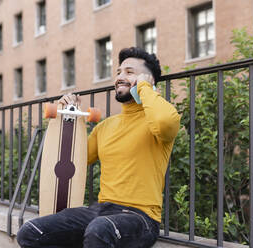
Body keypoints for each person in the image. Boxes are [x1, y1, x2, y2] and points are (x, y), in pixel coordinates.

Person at [17, 47, 181, 248]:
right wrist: (67, 119)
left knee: (100, 230)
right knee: (31, 233)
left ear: (148, 80)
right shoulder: (106, 127)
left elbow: (165, 122)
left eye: (129, 72)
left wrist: (145, 88)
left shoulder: (156, 121)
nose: (120, 77)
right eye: (119, 72)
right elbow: (73, 161)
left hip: (139, 217)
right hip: (101, 211)